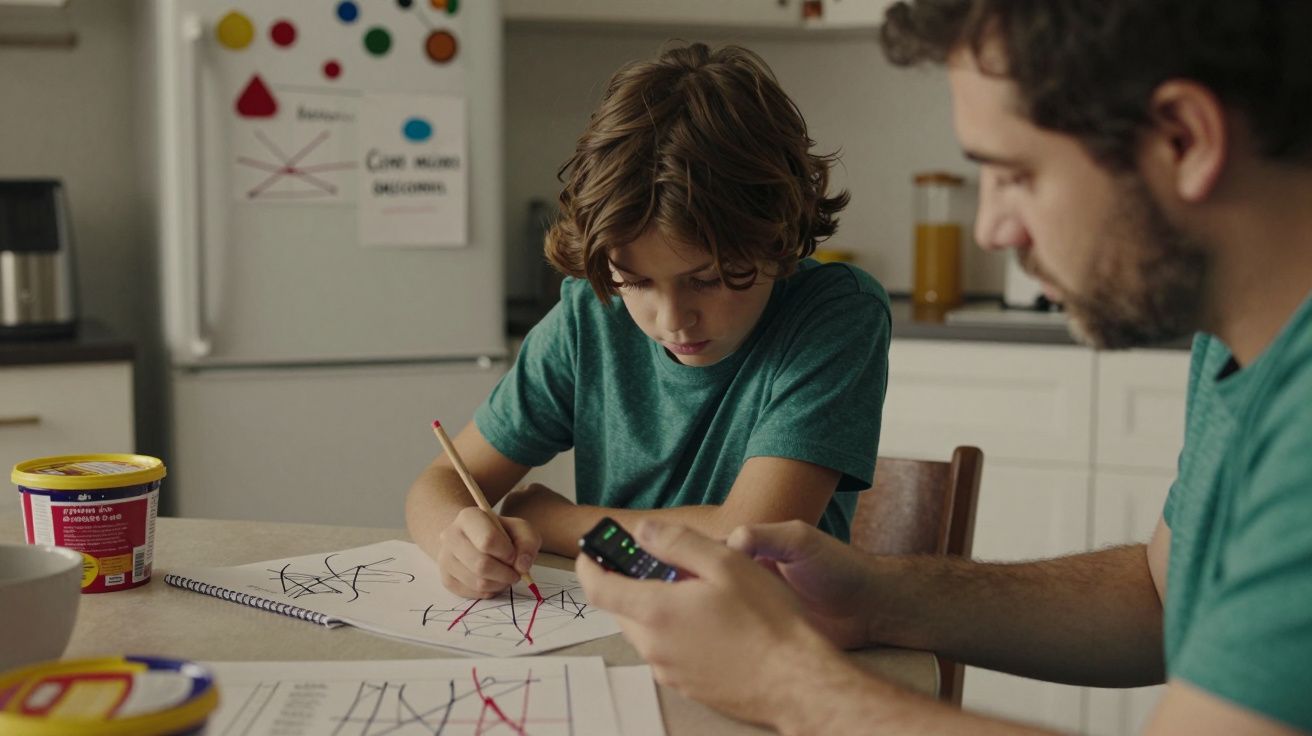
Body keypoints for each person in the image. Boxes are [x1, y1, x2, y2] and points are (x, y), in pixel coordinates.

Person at [577, 2, 1312, 734]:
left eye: (1013, 173)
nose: (990, 227)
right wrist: (876, 598)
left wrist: (783, 682)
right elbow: (1162, 597)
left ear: (1183, 139)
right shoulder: (1244, 333)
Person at [407, 43, 891, 600]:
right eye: (634, 281)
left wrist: (559, 523)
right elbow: (439, 483)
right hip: (616, 633)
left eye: (707, 279)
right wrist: (457, 538)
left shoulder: (835, 314)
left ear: (776, 237)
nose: (672, 319)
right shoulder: (590, 317)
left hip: (774, 638)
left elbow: (750, 548)